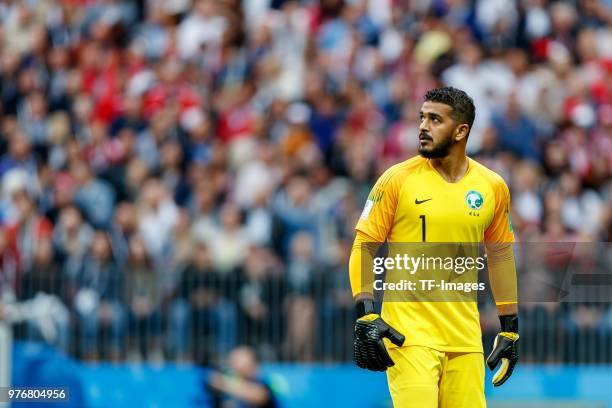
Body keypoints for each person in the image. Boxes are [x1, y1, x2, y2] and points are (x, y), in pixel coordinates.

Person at [348, 87, 519, 407]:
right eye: (422, 118)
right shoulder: (396, 179)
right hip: (409, 336)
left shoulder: (493, 186)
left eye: (435, 119)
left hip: (466, 340)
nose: (423, 126)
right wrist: (366, 313)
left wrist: (510, 328)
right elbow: (364, 247)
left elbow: (500, 255)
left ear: (460, 131)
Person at [206, 346, 278, 408]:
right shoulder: (235, 379)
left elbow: (260, 396)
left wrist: (222, 383)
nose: (231, 364)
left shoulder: (265, 377)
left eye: (236, 360)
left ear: (251, 362)